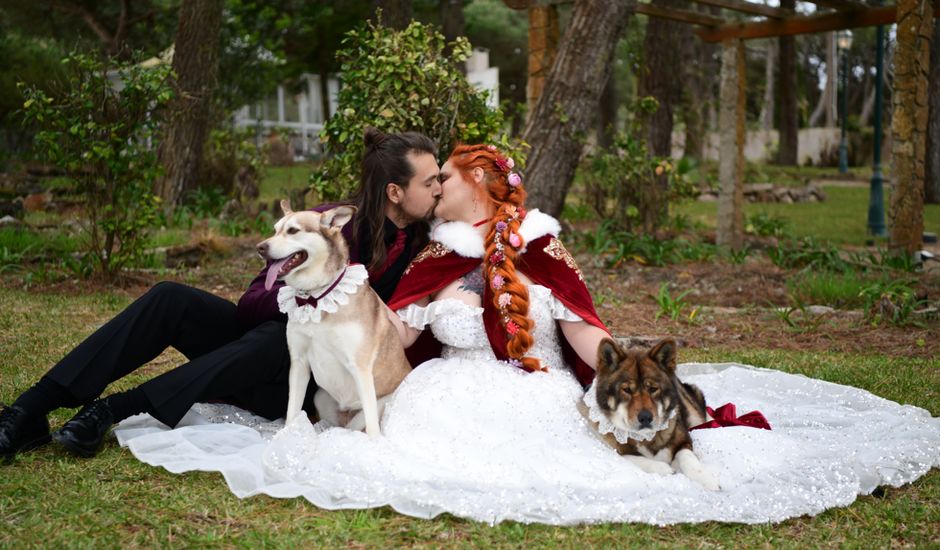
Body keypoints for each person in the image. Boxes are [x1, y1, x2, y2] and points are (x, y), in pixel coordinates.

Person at [112, 144, 939, 526]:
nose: (441, 187)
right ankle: (106, 406)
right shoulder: (428, 250)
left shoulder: (538, 247)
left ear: (481, 188)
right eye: (433, 179)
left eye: (452, 178)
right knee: (378, 414)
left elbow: (580, 325)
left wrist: (624, 369)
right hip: (422, 376)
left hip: (524, 385)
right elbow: (395, 323)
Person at [0, 128, 442, 462]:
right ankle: (29, 411)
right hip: (263, 343)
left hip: (310, 382)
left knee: (279, 338)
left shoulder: (424, 252)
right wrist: (303, 290)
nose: (438, 189)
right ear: (395, 192)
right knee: (171, 297)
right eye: (430, 182)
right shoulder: (323, 227)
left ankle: (112, 410)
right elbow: (251, 305)